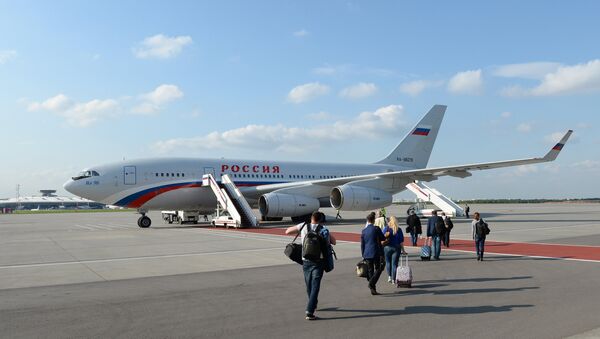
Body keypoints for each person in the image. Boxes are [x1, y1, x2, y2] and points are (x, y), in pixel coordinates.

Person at [285, 211, 337, 320]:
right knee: (315, 286)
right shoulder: (323, 229)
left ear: (311, 218)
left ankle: (312, 303)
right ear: (320, 220)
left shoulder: (303, 226)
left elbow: (287, 231)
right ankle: (310, 310)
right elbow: (333, 242)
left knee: (308, 285)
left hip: (306, 260)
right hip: (319, 261)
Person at [361, 212, 385, 295]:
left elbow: (362, 244)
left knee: (371, 270)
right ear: (374, 220)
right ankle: (371, 283)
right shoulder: (376, 229)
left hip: (367, 253)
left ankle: (373, 289)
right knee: (379, 268)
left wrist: (363, 254)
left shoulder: (364, 231)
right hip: (375, 252)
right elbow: (383, 238)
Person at [382, 216, 405, 283]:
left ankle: (389, 276)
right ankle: (393, 279)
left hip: (387, 247)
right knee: (394, 264)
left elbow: (382, 237)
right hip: (397, 247)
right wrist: (403, 250)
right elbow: (401, 241)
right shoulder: (399, 229)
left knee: (388, 262)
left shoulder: (387, 228)